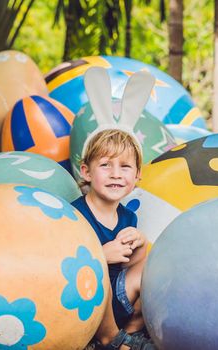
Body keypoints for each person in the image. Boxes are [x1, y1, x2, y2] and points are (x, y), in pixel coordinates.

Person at [71, 129, 154, 350]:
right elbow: (62, 267)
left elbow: (129, 267)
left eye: (125, 166)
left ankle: (131, 333)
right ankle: (109, 340)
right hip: (86, 302)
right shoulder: (74, 216)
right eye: (106, 165)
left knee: (155, 265)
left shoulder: (128, 217)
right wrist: (100, 256)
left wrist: (140, 244)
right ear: (86, 172)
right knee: (97, 273)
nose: (116, 174)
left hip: (118, 300)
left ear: (137, 176)